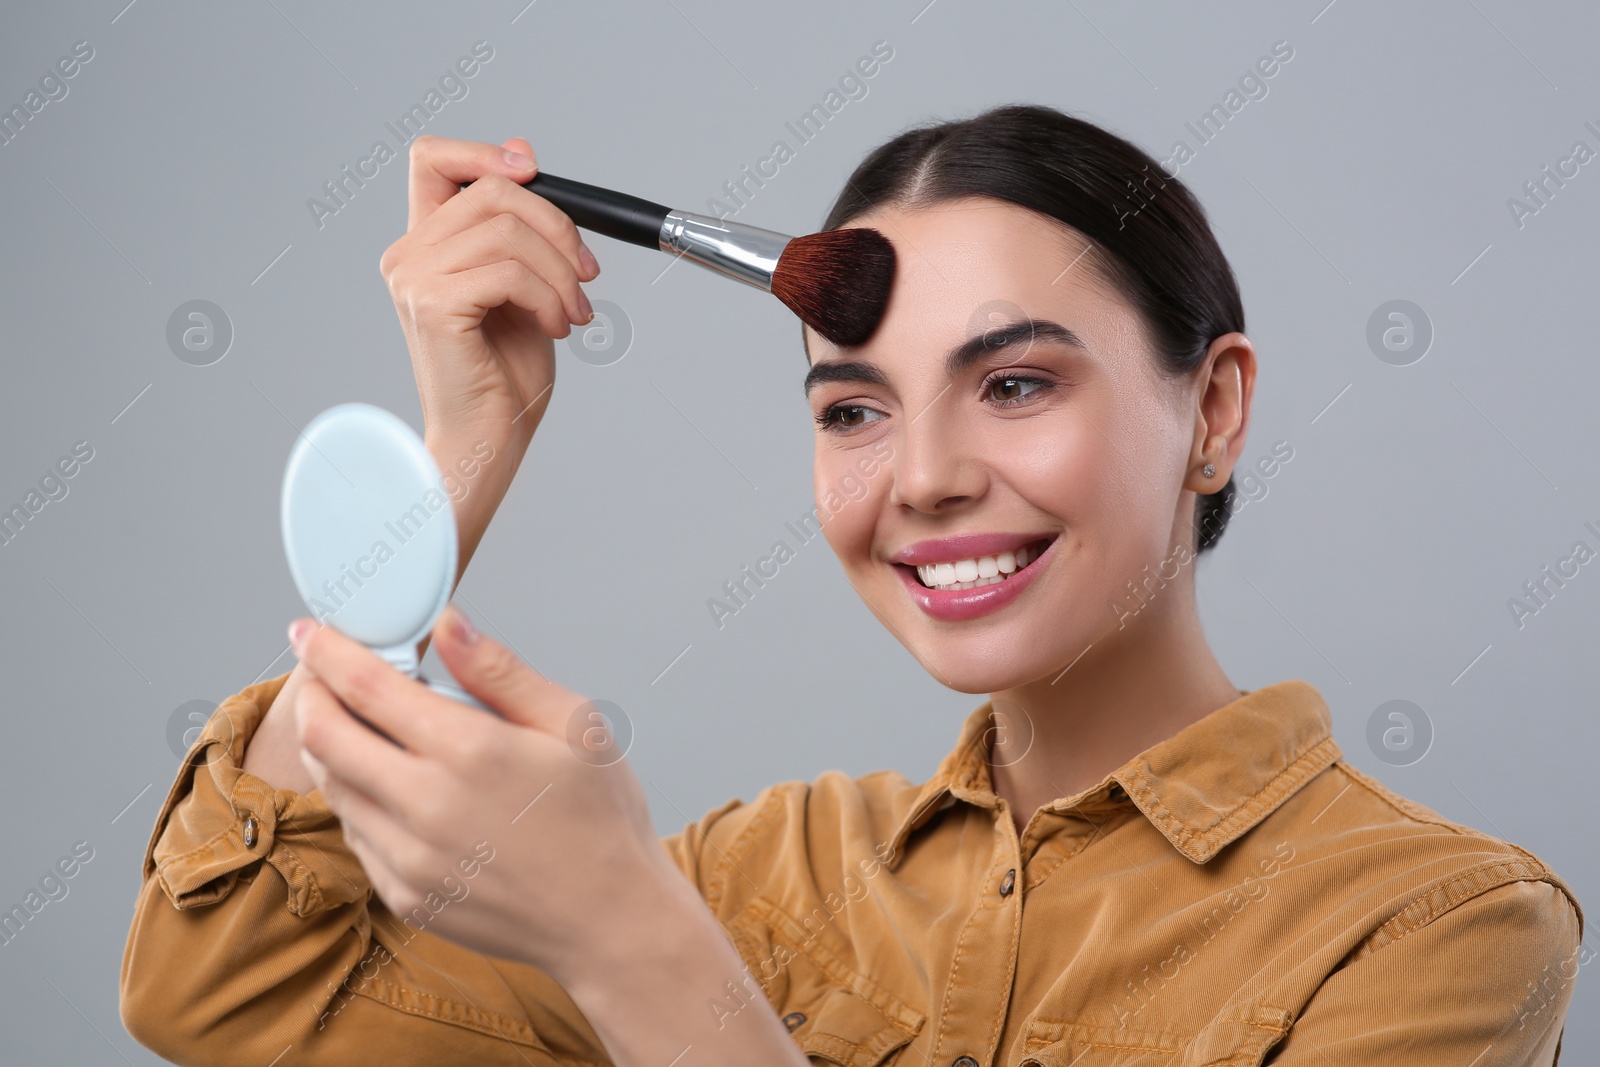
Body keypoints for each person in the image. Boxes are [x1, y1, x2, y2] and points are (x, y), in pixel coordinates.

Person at [120, 104, 1583, 1066]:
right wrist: (462, 450)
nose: (924, 475)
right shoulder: (774, 875)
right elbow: (227, 980)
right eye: (852, 410)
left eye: (1013, 383)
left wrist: (635, 948)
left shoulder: (1437, 928)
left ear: (1212, 411)